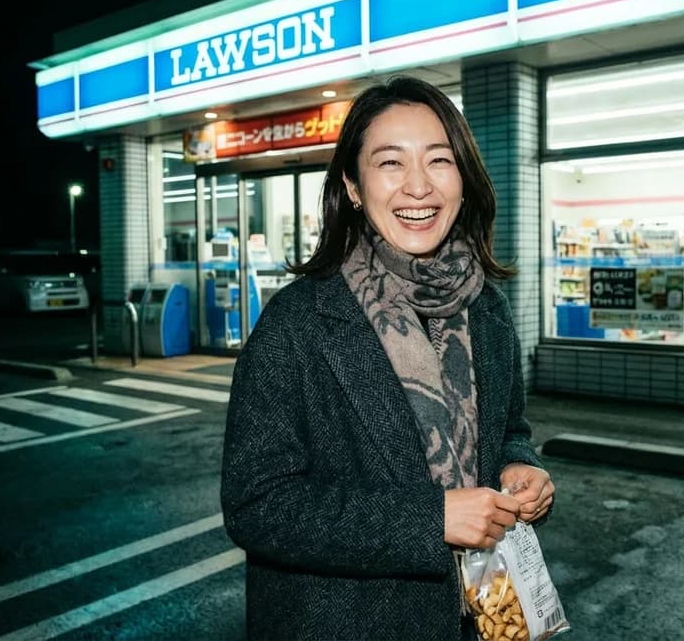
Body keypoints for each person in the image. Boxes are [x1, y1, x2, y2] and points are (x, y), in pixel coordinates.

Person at [221, 75, 556, 641]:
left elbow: (509, 430)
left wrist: (520, 468)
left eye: (439, 160)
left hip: (478, 616)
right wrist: (431, 520)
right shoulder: (298, 321)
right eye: (391, 163)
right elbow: (256, 504)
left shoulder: (487, 307)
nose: (418, 186)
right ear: (353, 186)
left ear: (464, 178)